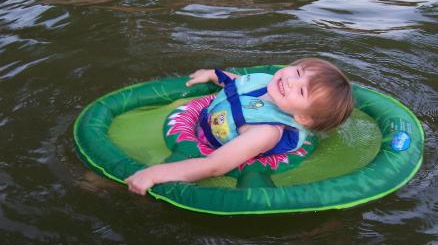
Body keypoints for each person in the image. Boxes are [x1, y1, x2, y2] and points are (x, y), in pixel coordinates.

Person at [125, 58, 353, 195]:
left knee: (128, 180)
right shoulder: (270, 83)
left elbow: (215, 165)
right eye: (298, 72)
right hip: (211, 122)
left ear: (303, 118)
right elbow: (240, 84)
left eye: (302, 91)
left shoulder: (265, 131)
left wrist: (156, 173)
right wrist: (213, 75)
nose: (291, 81)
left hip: (216, 149)